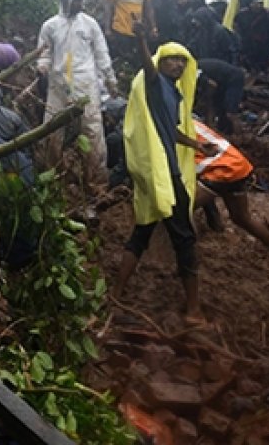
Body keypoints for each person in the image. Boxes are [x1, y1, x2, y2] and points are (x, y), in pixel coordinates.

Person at [112, 22, 212, 325]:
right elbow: (146, 64)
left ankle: (116, 293)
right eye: (172, 59)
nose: (178, 64)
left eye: (183, 60)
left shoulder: (173, 93)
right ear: (161, 62)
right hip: (164, 174)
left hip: (163, 171)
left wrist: (194, 142)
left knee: (142, 232)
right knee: (184, 237)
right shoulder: (156, 84)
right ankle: (193, 309)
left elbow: (170, 131)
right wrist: (142, 38)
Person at [37, 0, 118, 188]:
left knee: (92, 131)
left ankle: (96, 182)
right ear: (66, 0)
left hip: (85, 84)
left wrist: (110, 78)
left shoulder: (90, 24)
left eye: (81, 0)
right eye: (76, 0)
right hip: (59, 84)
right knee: (52, 130)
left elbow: (101, 52)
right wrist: (43, 66)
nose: (80, 4)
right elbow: (44, 52)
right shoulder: (50, 25)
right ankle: (52, 178)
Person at [192, 118, 269, 266]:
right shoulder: (189, 121)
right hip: (237, 166)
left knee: (180, 211)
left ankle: (186, 260)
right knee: (241, 218)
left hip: (221, 170)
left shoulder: (170, 126)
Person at [234, 0, 269, 74]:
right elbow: (238, 36)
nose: (259, 5)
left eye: (260, 3)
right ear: (250, 4)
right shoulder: (241, 16)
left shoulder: (268, 16)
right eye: (256, 3)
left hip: (265, 53)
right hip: (248, 53)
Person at [196, 58, 245, 134]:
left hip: (233, 79)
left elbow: (212, 85)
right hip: (222, 82)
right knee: (219, 110)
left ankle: (240, 137)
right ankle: (224, 132)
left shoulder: (194, 71)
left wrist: (208, 98)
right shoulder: (196, 68)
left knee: (230, 113)